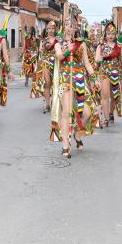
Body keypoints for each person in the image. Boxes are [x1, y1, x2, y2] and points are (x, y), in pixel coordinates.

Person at [50, 19, 101, 158]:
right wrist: (69, 49)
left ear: (75, 28)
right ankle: (65, 145)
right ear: (63, 27)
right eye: (67, 25)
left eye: (72, 26)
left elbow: (87, 64)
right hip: (64, 81)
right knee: (66, 112)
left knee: (87, 112)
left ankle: (78, 133)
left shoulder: (81, 44)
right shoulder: (58, 44)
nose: (70, 28)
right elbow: (59, 56)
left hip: (79, 80)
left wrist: (95, 78)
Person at [95, 23, 122, 127]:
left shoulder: (119, 46)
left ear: (115, 35)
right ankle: (105, 118)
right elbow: (96, 60)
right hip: (104, 73)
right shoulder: (101, 46)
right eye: (109, 33)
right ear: (105, 34)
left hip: (116, 73)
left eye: (113, 33)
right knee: (105, 96)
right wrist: (99, 59)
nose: (111, 35)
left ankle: (110, 112)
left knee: (114, 96)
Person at [36, 21, 59, 113]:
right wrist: (42, 49)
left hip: (56, 63)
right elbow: (40, 50)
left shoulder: (58, 40)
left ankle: (55, 102)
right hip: (46, 62)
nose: (51, 30)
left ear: (55, 29)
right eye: (49, 28)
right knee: (47, 82)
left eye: (53, 28)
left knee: (56, 83)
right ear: (46, 29)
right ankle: (47, 104)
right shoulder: (44, 40)